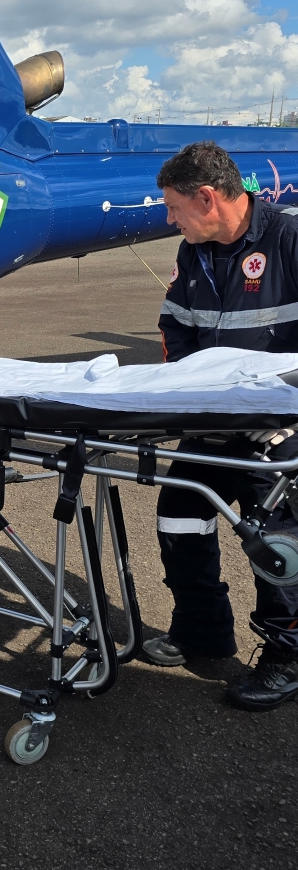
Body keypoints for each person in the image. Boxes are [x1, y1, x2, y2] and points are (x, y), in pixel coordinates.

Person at [148, 139, 298, 710]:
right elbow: (175, 326)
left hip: (276, 431)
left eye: (174, 208)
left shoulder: (288, 241)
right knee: (180, 519)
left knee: (276, 541)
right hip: (211, 424)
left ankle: (288, 656)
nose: (170, 219)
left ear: (207, 198)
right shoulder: (195, 253)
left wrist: (287, 411)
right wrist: (191, 391)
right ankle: (203, 632)